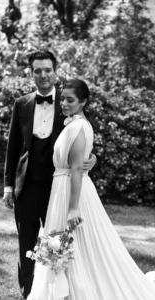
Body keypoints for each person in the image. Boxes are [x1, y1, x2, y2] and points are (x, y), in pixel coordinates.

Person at [27, 79, 155, 300]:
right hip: (62, 187)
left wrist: (73, 207)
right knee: (61, 243)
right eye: (63, 99)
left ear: (83, 102)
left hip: (71, 191)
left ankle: (75, 292)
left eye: (70, 100)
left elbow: (76, 169)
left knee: (75, 244)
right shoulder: (73, 123)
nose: (64, 104)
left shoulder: (78, 127)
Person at [3, 51, 96, 300]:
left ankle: (60, 292)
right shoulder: (21, 104)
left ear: (55, 71)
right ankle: (28, 293)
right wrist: (8, 187)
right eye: (37, 70)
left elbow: (83, 136)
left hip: (58, 187)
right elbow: (13, 146)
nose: (43, 75)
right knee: (27, 242)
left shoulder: (68, 102)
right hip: (27, 185)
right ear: (31, 73)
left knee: (60, 242)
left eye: (47, 70)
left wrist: (92, 158)